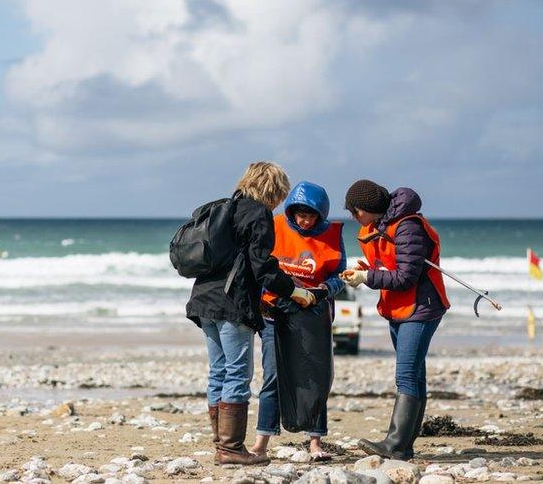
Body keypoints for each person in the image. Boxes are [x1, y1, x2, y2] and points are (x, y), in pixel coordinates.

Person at [185, 162, 317, 465]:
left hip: (204, 299)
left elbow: (238, 263)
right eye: (281, 194)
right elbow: (262, 266)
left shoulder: (225, 208)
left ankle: (222, 445)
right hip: (232, 304)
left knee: (218, 371)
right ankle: (231, 449)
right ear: (274, 189)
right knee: (237, 373)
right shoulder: (258, 214)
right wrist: (295, 291)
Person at [340, 180, 450, 461]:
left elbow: (405, 277)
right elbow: (385, 264)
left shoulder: (407, 226)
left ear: (367, 208)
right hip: (398, 308)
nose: (354, 218)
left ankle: (395, 444)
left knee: (406, 376)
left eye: (355, 212)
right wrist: (362, 272)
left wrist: (368, 279)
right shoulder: (378, 226)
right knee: (415, 375)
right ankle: (405, 446)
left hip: (421, 307)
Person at [249, 181, 345, 462]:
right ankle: (261, 442)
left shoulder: (331, 235)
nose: (304, 220)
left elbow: (340, 276)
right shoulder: (275, 225)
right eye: (300, 214)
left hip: (313, 315)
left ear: (320, 215)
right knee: (273, 375)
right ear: (291, 212)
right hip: (273, 313)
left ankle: (315, 443)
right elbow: (259, 266)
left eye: (311, 215)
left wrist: (324, 290)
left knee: (315, 376)